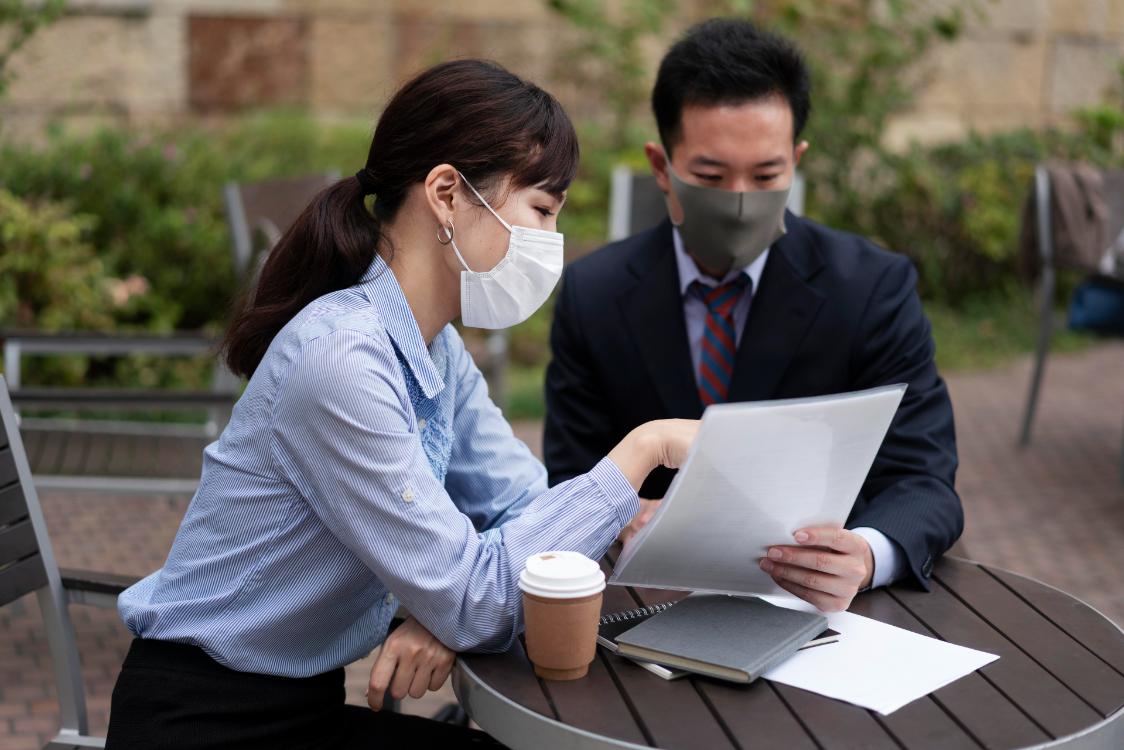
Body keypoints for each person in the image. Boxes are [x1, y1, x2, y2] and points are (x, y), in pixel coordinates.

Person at [105, 59, 696, 749]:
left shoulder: (434, 347)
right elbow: (480, 597)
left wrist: (444, 609)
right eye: (540, 209)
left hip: (295, 704)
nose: (549, 242)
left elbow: (516, 516)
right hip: (202, 720)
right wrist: (643, 451)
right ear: (447, 192)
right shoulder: (341, 360)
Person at [544, 18, 963, 613]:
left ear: (796, 161)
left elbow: (923, 480)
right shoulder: (596, 293)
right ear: (661, 169)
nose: (740, 202)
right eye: (711, 177)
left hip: (826, 615)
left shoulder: (870, 288)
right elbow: (571, 470)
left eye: (767, 176)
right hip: (647, 610)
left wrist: (866, 555)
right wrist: (620, 516)